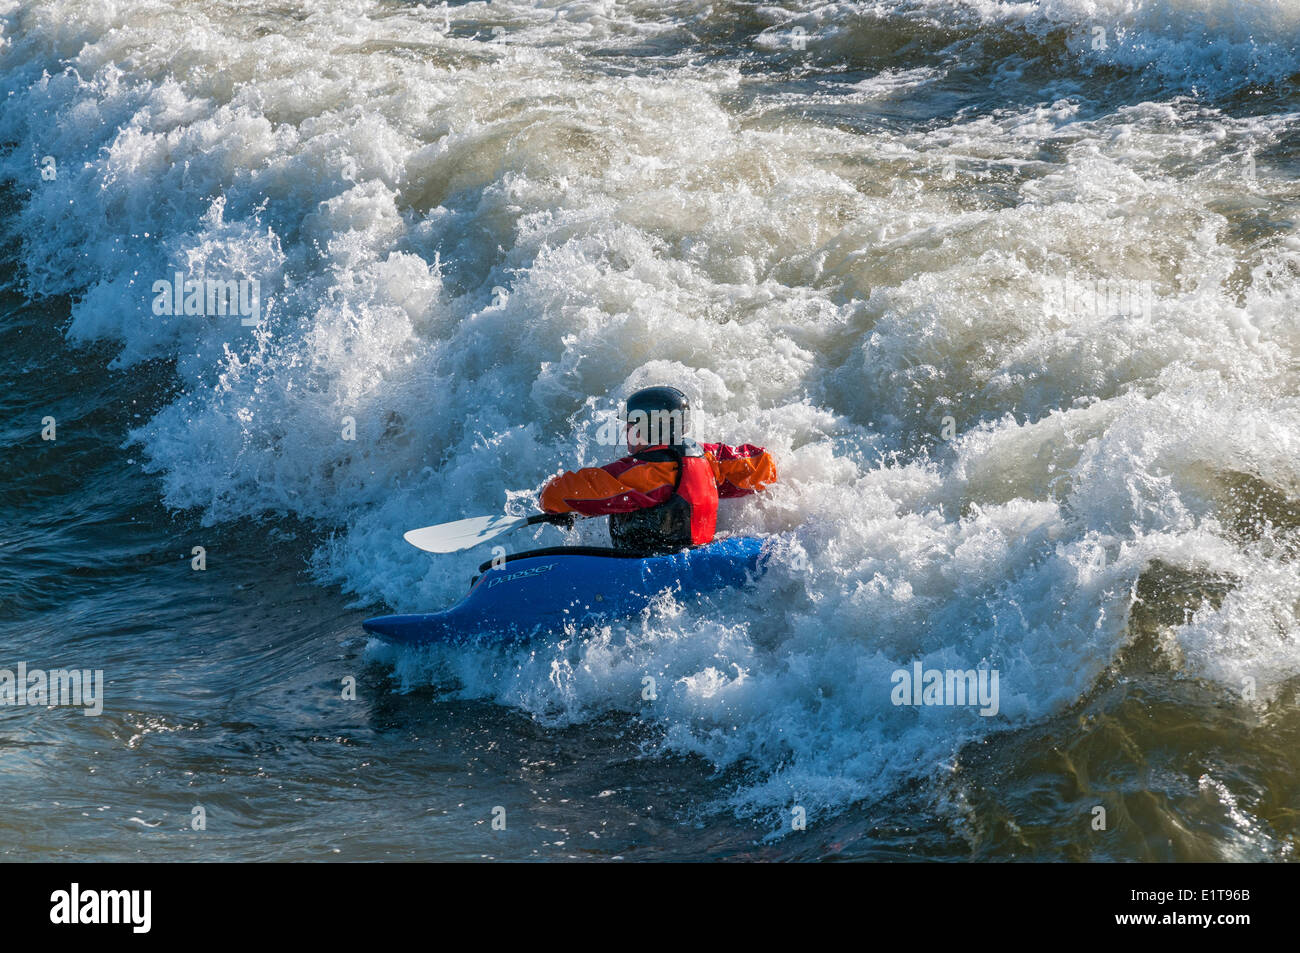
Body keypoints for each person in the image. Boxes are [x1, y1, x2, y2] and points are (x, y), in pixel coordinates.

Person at [540, 386, 777, 553]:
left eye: (630, 426)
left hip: (653, 569)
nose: (626, 432)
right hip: (695, 556)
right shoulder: (707, 456)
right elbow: (763, 466)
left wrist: (552, 503)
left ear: (648, 429)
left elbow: (558, 496)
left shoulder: (644, 473)